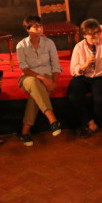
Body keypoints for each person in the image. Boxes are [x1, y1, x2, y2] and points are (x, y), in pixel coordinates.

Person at [15, 15, 63, 146]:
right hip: (28, 77)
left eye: (41, 26)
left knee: (34, 96)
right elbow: (24, 69)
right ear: (28, 29)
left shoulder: (49, 43)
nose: (40, 28)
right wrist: (42, 79)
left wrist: (54, 82)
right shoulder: (21, 46)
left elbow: (56, 66)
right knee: (33, 82)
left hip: (47, 77)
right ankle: (52, 119)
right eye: (36, 26)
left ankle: (24, 132)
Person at [67, 18, 102, 137]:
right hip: (83, 76)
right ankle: (90, 123)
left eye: (97, 32)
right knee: (73, 96)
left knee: (100, 99)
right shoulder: (79, 47)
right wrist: (85, 64)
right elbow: (73, 71)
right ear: (84, 35)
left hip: (99, 77)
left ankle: (93, 124)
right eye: (92, 33)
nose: (95, 36)